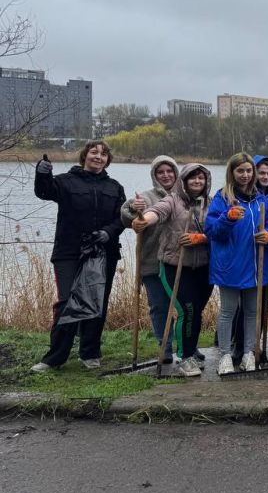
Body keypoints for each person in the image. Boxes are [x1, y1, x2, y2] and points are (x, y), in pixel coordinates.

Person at [31, 141, 126, 372]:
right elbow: (44, 192)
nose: (98, 156)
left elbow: (122, 218)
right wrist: (42, 173)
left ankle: (90, 352)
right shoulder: (65, 181)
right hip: (69, 251)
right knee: (66, 302)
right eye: (94, 152)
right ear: (84, 156)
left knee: (97, 302)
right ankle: (54, 357)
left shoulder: (115, 187)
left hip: (103, 251)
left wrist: (108, 233)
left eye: (103, 154)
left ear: (107, 160)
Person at [131, 164, 214, 377]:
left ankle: (191, 351)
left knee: (196, 312)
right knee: (187, 311)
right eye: (192, 178)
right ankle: (185, 358)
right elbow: (156, 212)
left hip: (204, 267)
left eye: (201, 178)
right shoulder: (173, 200)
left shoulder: (211, 204)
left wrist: (203, 237)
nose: (197, 181)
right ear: (184, 180)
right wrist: (143, 220)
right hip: (175, 266)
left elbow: (220, 230)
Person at [205, 153, 268, 374]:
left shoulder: (261, 199)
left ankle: (249, 353)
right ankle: (225, 356)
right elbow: (212, 231)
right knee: (228, 310)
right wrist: (227, 218)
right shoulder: (222, 198)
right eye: (241, 171)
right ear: (232, 172)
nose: (246, 175)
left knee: (251, 311)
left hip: (256, 264)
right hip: (229, 265)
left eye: (249, 171)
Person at [118, 155, 179, 363]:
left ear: (176, 173)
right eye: (160, 172)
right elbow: (126, 216)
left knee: (185, 307)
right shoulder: (145, 197)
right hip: (153, 262)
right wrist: (134, 209)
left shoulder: (185, 195)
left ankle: (188, 347)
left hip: (181, 263)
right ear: (155, 175)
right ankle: (165, 348)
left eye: (169, 171)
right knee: (160, 307)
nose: (166, 175)